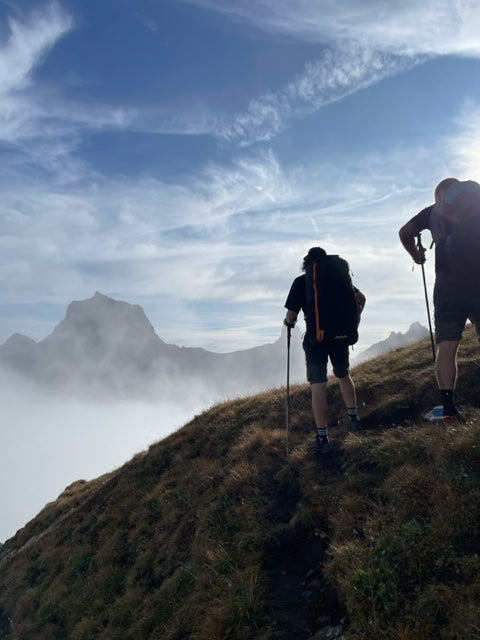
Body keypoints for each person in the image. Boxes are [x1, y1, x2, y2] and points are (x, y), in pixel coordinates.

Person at [399, 177, 480, 422]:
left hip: (447, 284)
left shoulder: (433, 212)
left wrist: (416, 255)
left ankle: (448, 410)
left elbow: (404, 232)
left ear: (440, 194)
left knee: (447, 345)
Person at [284, 247, 366, 454]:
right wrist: (353, 321)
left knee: (318, 386)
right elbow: (361, 298)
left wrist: (288, 322)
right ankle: (354, 418)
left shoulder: (302, 282)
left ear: (308, 265)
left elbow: (291, 316)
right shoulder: (339, 279)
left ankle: (323, 438)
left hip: (316, 341)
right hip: (341, 337)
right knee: (343, 374)